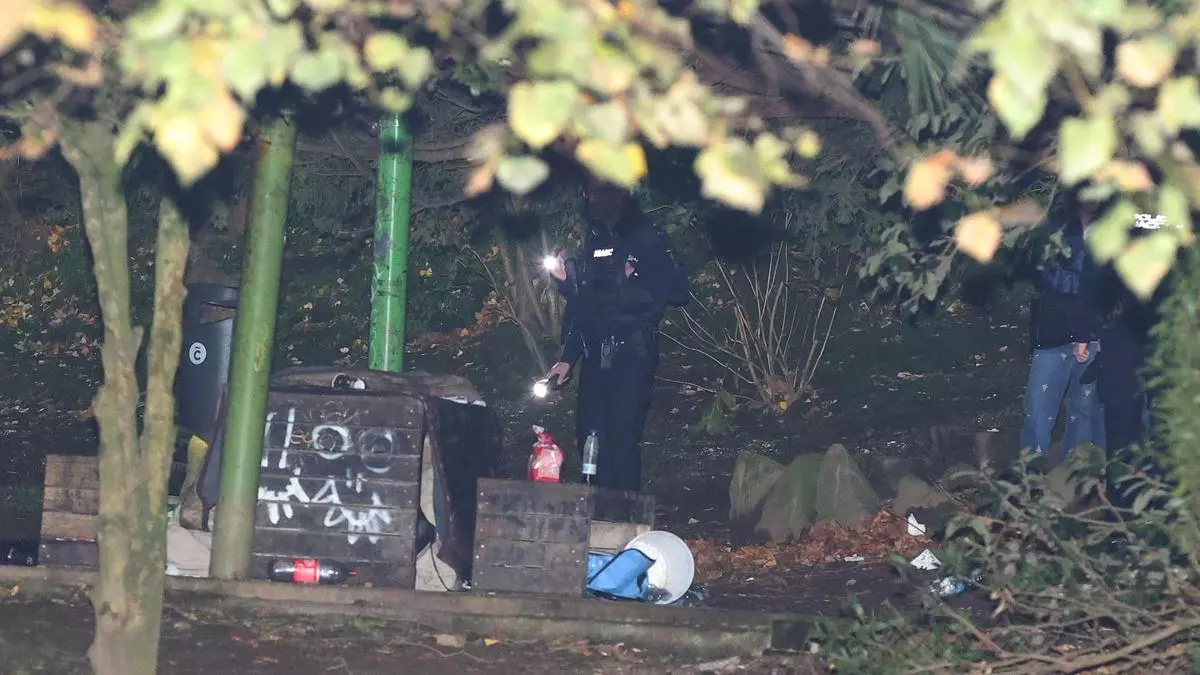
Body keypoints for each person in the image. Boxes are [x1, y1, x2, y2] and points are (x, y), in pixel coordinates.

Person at [543, 180, 689, 492]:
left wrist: (638, 272)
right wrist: (567, 359)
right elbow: (585, 306)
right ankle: (596, 510)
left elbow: (679, 290)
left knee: (621, 438)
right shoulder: (594, 239)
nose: (594, 199)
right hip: (595, 355)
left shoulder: (647, 236)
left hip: (633, 352)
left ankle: (627, 512)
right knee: (589, 436)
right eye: (590, 192)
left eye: (601, 192)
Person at [1020, 202, 1104, 466]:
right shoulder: (1056, 226)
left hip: (1094, 332)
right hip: (1053, 331)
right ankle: (1032, 470)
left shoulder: (1113, 229)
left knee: (1085, 407)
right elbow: (1048, 276)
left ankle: (1078, 468)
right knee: (1039, 406)